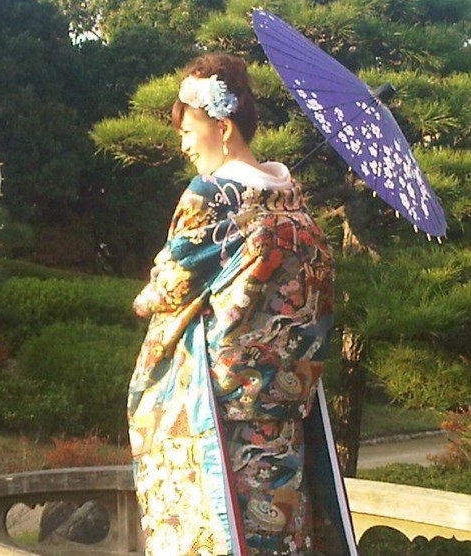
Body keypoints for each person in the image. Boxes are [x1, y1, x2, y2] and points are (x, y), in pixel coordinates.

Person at [127, 54, 358, 555]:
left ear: (223, 127)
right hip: (284, 411)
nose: (184, 145)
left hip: (221, 410)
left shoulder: (211, 195)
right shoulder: (298, 209)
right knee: (279, 531)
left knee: (219, 529)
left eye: (189, 131)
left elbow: (171, 282)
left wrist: (144, 297)